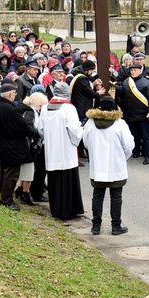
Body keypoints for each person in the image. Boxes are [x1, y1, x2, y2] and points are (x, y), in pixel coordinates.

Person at [83, 95, 135, 235]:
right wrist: (122, 158)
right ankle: (116, 226)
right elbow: (129, 145)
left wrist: (94, 154)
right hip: (116, 166)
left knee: (97, 195)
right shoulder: (120, 124)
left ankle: (96, 226)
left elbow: (85, 142)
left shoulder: (90, 123)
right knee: (116, 196)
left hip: (98, 166)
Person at [38, 82, 85, 220]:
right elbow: (75, 131)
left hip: (51, 151)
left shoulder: (45, 108)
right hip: (66, 150)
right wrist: (76, 140)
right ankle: (68, 210)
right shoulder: (69, 109)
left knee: (54, 180)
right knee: (67, 180)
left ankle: (56, 209)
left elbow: (40, 129)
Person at [0, 82, 40, 210]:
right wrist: (37, 133)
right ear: (10, 94)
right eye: (14, 93)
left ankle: (5, 197)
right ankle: (6, 200)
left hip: (3, 144)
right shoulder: (8, 109)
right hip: (12, 146)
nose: (15, 96)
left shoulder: (0, 106)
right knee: (11, 174)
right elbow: (23, 127)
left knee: (6, 172)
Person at [117, 62, 149, 165]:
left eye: (135, 70)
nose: (133, 72)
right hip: (129, 114)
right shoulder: (126, 82)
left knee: (146, 137)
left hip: (144, 115)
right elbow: (121, 96)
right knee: (132, 136)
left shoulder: (147, 83)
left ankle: (148, 156)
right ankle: (135, 151)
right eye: (131, 70)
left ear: (140, 71)